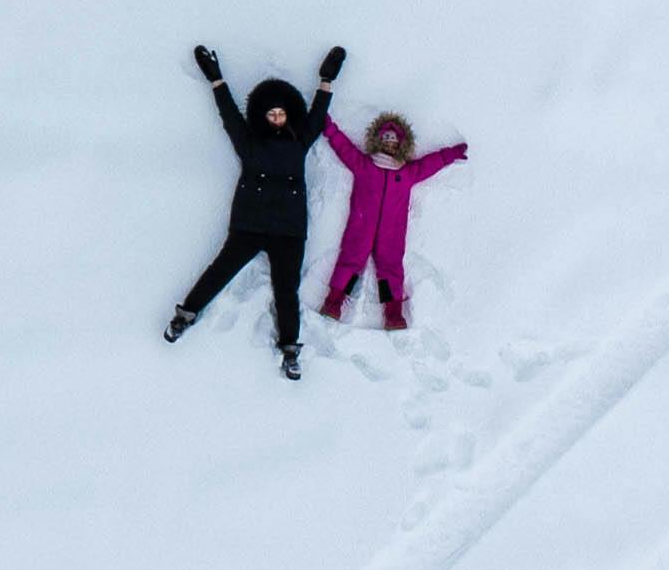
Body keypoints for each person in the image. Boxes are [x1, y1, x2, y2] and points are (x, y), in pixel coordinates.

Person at [165, 42, 343, 380]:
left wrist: (327, 80)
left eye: (281, 113)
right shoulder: (249, 143)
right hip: (249, 223)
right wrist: (216, 80)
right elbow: (230, 116)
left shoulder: (299, 141)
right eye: (271, 114)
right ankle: (185, 314)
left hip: (289, 230)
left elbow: (317, 118)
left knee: (286, 290)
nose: (277, 118)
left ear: (289, 115)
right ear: (262, 116)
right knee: (219, 272)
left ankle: (290, 350)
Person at [319, 109, 467, 331]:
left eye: (393, 138)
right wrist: (329, 128)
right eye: (386, 137)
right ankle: (334, 302)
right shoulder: (364, 166)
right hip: (361, 226)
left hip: (391, 232)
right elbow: (344, 148)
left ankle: (393, 313)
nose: (389, 142)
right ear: (378, 140)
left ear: (401, 144)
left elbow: (430, 164)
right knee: (350, 262)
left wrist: (451, 154)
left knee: (390, 270)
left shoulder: (406, 173)